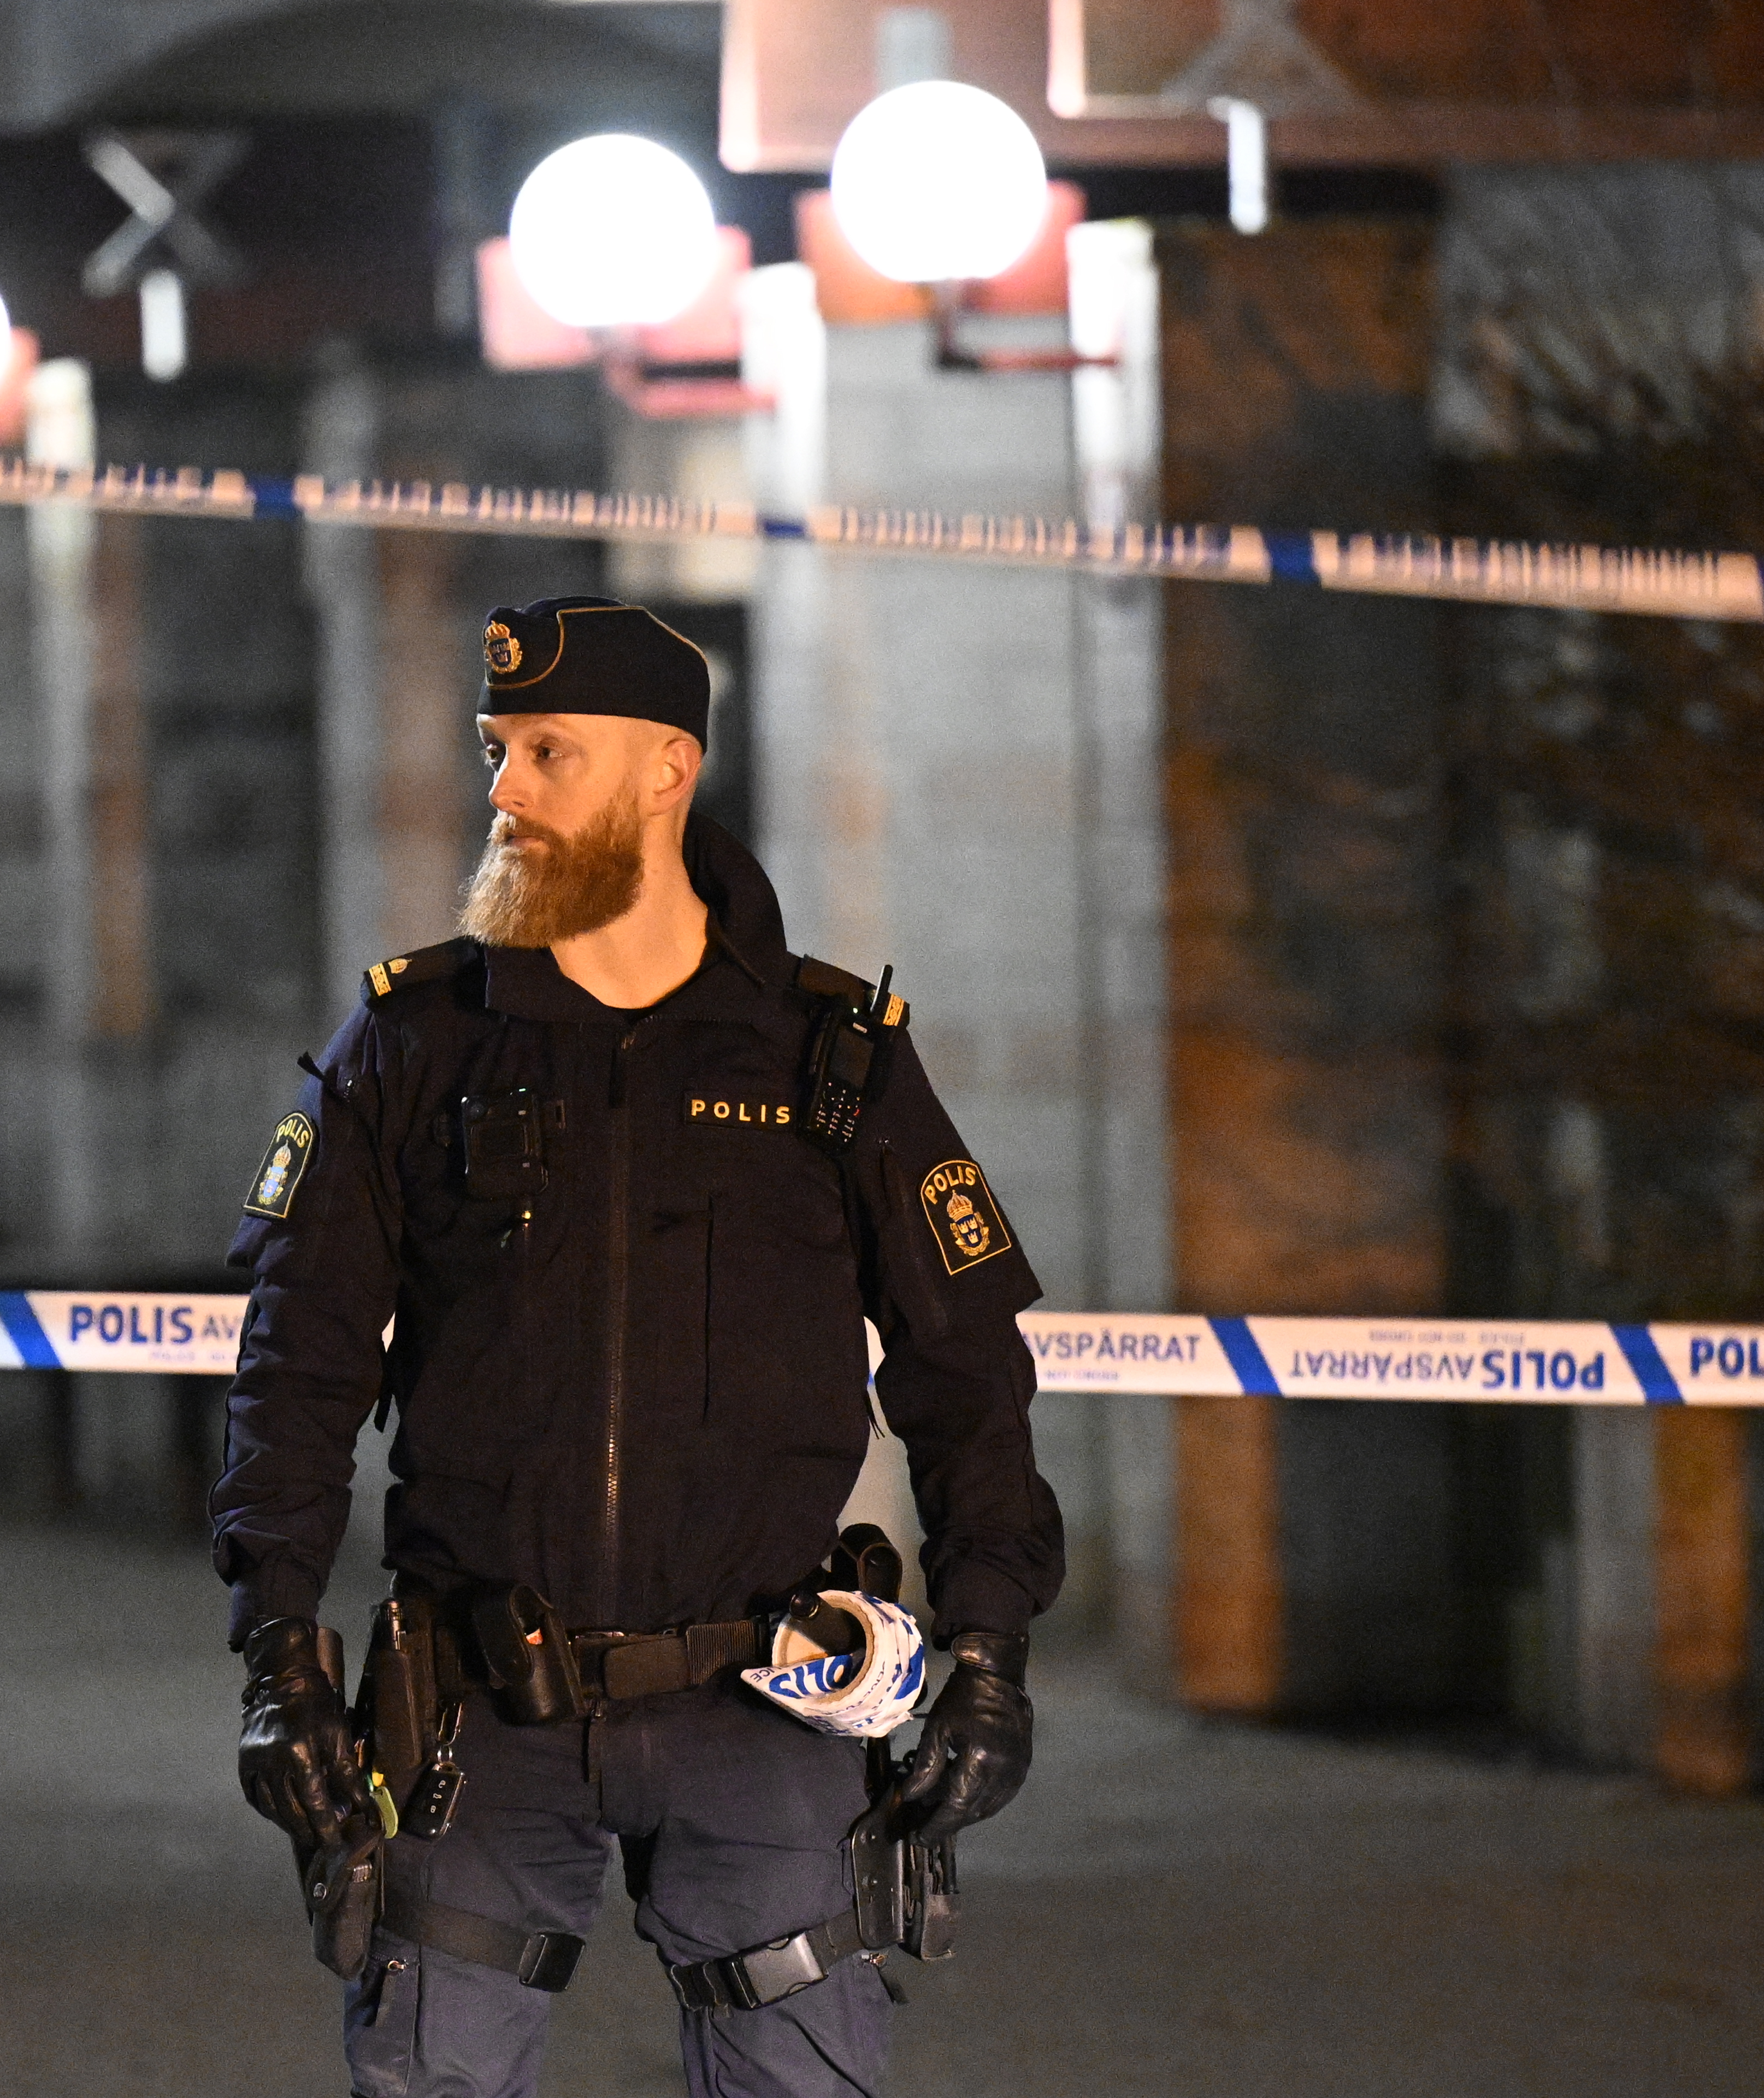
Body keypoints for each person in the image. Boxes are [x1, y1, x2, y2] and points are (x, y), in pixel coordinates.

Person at [212, 594, 1062, 2098]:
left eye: (548, 751)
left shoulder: (832, 1055)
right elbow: (299, 1361)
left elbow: (968, 1368)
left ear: (668, 767)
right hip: (476, 1714)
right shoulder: (416, 1045)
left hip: (768, 1702)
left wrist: (988, 1649)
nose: (503, 790)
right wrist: (281, 1649)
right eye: (495, 751)